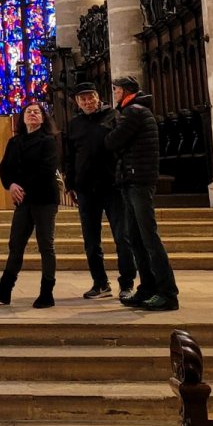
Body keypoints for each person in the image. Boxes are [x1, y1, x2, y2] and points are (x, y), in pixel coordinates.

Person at [106, 75, 180, 311]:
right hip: (132, 178)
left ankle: (167, 293)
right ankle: (147, 288)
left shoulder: (133, 112)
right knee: (136, 237)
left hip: (138, 179)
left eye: (116, 90)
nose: (114, 94)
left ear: (126, 91)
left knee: (148, 238)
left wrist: (111, 130)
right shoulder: (135, 111)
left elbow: (112, 142)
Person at [64, 81, 136, 300]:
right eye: (83, 99)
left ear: (98, 97)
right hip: (86, 188)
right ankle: (100, 283)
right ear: (77, 102)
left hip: (113, 186)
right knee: (91, 240)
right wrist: (70, 184)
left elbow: (125, 148)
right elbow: (69, 156)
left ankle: (127, 283)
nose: (87, 102)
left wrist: (124, 176)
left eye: (91, 97)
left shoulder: (113, 116)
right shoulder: (74, 124)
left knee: (122, 237)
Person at [0, 100, 60, 308]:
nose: (32, 115)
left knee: (45, 244)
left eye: (37, 112)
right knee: (16, 243)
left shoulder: (49, 141)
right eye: (29, 112)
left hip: (44, 198)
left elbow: (47, 170)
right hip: (23, 200)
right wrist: (11, 185)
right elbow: (3, 168)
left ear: (43, 118)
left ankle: (47, 292)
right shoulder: (15, 141)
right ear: (23, 117)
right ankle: (5, 288)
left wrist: (22, 187)